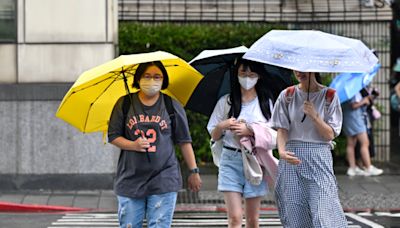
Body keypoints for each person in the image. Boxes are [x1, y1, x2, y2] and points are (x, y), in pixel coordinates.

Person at [108, 61, 202, 228]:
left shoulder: (171, 105)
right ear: (138, 78)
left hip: (164, 177)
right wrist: (133, 145)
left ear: (163, 80)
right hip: (130, 178)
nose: (152, 81)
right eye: (147, 76)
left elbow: (184, 141)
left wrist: (193, 171)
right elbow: (113, 136)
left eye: (157, 77)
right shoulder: (124, 103)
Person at [271, 71, 348, 227]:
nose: (299, 72)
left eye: (304, 68)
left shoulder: (329, 96)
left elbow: (329, 135)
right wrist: (282, 151)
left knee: (323, 214)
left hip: (319, 157)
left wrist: (315, 116)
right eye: (296, 68)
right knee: (295, 214)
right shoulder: (287, 95)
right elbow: (282, 129)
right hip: (292, 158)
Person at [207, 58, 275, 228]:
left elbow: (275, 135)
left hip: (256, 161)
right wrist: (223, 125)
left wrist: (250, 131)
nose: (247, 77)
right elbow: (213, 134)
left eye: (251, 73)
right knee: (235, 218)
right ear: (236, 74)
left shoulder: (266, 102)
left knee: (252, 220)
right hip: (230, 160)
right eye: (243, 72)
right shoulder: (226, 102)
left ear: (259, 76)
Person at [342, 90, 383, 176]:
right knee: (365, 142)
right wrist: (364, 101)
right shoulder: (352, 90)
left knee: (351, 144)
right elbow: (354, 105)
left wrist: (367, 98)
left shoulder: (345, 91)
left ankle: (352, 168)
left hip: (348, 119)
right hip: (356, 119)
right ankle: (368, 167)